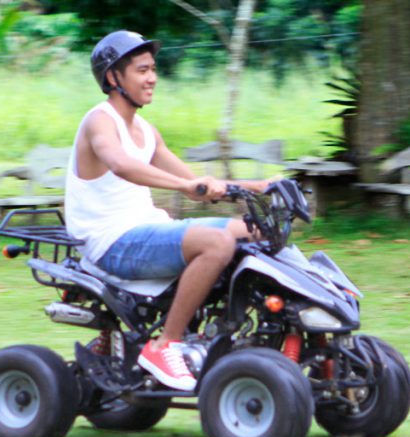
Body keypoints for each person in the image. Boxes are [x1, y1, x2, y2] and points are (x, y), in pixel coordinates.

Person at [66, 30, 272, 392]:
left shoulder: (146, 130)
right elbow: (121, 164)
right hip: (112, 241)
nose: (152, 78)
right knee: (216, 244)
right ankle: (165, 345)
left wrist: (255, 187)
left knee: (256, 231)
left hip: (146, 230)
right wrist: (183, 188)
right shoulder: (99, 121)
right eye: (142, 70)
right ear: (114, 77)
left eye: (153, 69)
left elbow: (196, 182)